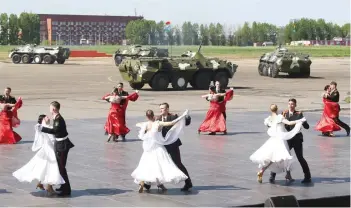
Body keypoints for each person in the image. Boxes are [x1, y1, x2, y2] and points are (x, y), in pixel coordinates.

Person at [132, 109, 189, 193]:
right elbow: (171, 123)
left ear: (147, 116)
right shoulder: (157, 123)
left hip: (148, 149)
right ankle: (160, 184)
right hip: (157, 147)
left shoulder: (145, 124)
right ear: (153, 115)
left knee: (146, 165)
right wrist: (182, 117)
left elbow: (138, 126)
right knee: (159, 165)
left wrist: (141, 124)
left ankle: (142, 182)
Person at [250, 104, 307, 183]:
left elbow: (269, 126)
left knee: (279, 157)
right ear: (277, 109)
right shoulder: (279, 117)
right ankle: (264, 171)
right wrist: (299, 121)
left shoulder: (269, 119)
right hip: (280, 140)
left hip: (273, 139)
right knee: (282, 157)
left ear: (270, 110)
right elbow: (290, 123)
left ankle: (287, 175)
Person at [12, 114, 65, 196]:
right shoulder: (47, 128)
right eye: (46, 117)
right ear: (43, 119)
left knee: (45, 167)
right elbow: (52, 139)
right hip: (50, 150)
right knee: (52, 168)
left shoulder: (41, 127)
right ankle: (49, 187)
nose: (48, 118)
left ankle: (41, 183)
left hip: (45, 149)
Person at [269, 98, 312, 184]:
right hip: (287, 138)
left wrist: (303, 120)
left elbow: (307, 127)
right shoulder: (284, 114)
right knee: (280, 156)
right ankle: (272, 176)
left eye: (292, 104)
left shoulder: (299, 114)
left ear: (295, 105)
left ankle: (307, 176)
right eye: (289, 104)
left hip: (296, 139)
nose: (291, 105)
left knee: (300, 157)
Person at [37, 101, 74, 197]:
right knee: (60, 168)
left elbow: (55, 131)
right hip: (60, 143)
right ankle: (63, 186)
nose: (49, 110)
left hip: (62, 145)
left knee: (61, 168)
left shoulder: (58, 119)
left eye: (50, 108)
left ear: (54, 109)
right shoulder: (56, 118)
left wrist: (43, 128)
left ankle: (66, 190)